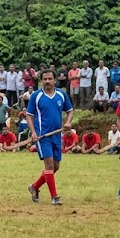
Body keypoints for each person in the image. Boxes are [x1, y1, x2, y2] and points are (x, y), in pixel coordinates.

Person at [25, 70, 74, 205]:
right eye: (45, 79)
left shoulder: (61, 94)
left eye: (50, 79)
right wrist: (33, 132)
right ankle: (54, 197)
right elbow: (29, 115)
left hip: (57, 136)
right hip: (42, 137)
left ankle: (34, 187)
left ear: (55, 80)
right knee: (49, 165)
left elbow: (70, 111)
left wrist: (68, 122)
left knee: (55, 167)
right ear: (41, 81)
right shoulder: (36, 96)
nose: (47, 81)